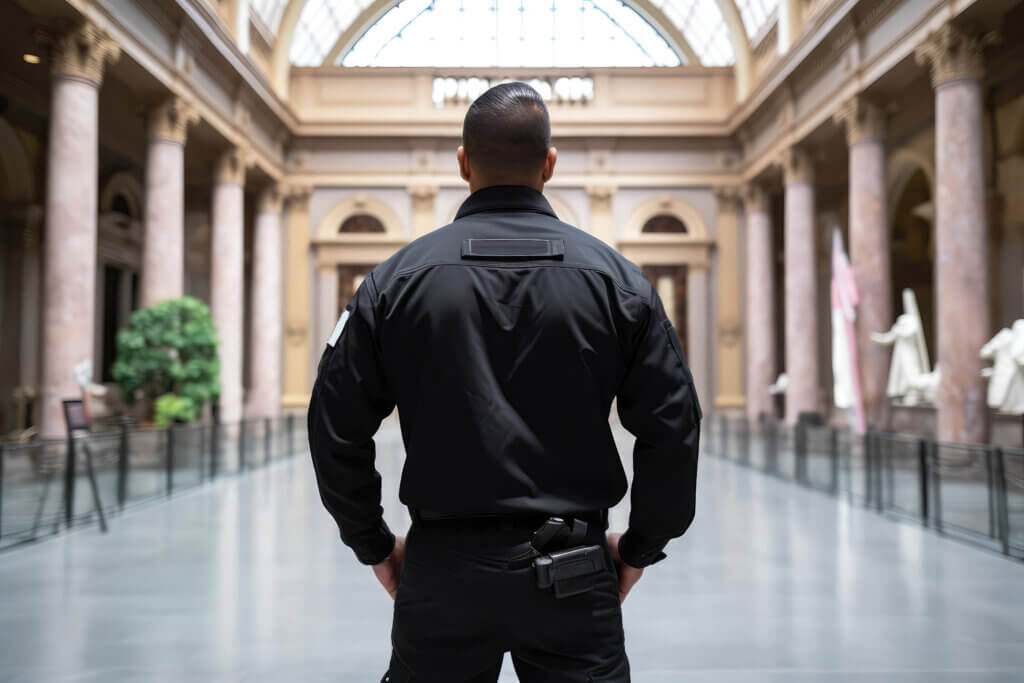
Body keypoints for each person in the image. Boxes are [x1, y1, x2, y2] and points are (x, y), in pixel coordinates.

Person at [308, 81, 702, 682]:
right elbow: (674, 427)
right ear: (549, 164)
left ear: (462, 163)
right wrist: (642, 545)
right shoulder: (617, 282)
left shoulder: (395, 282)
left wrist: (375, 543)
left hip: (441, 572)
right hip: (574, 571)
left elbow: (334, 425)